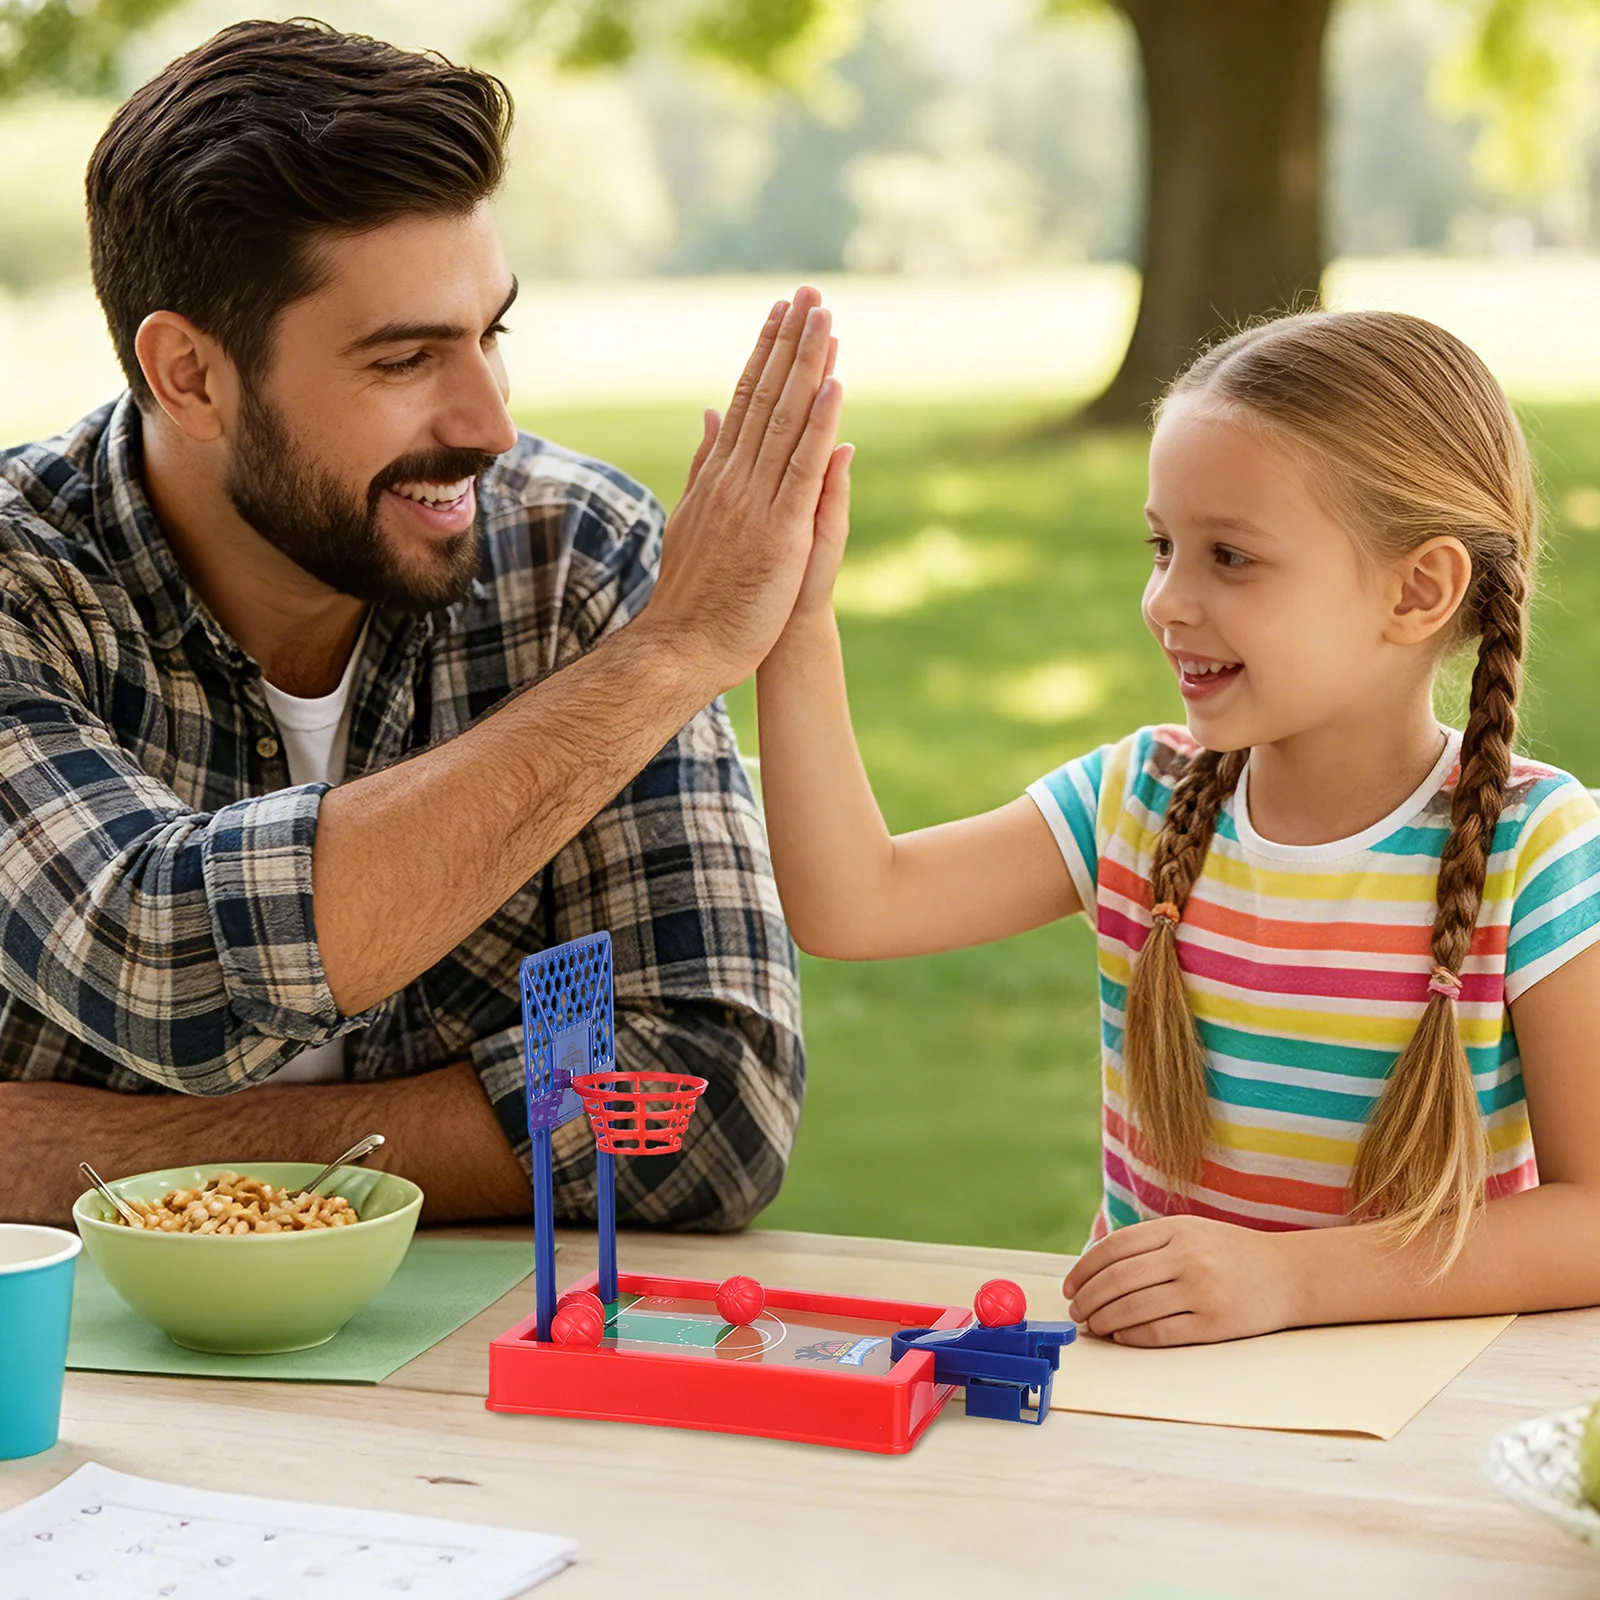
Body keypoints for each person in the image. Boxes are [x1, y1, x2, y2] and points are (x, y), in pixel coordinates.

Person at [0, 20, 849, 1229]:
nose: (490, 423)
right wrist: (659, 661)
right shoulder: (23, 584)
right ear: (190, 375)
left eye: (490, 333)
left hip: (471, 1393)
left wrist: (97, 1154)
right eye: (405, 358)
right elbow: (167, 963)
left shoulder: (575, 554)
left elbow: (711, 1104)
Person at [755, 308, 1600, 1344]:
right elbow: (852, 903)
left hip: (1415, 1428)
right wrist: (794, 623)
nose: (1165, 599)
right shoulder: (1137, 804)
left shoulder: (1538, 849)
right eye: (1162, 546)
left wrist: (1289, 1281)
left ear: (1416, 589)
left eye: (1230, 558)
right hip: (1156, 1420)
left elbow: (1590, 1218)